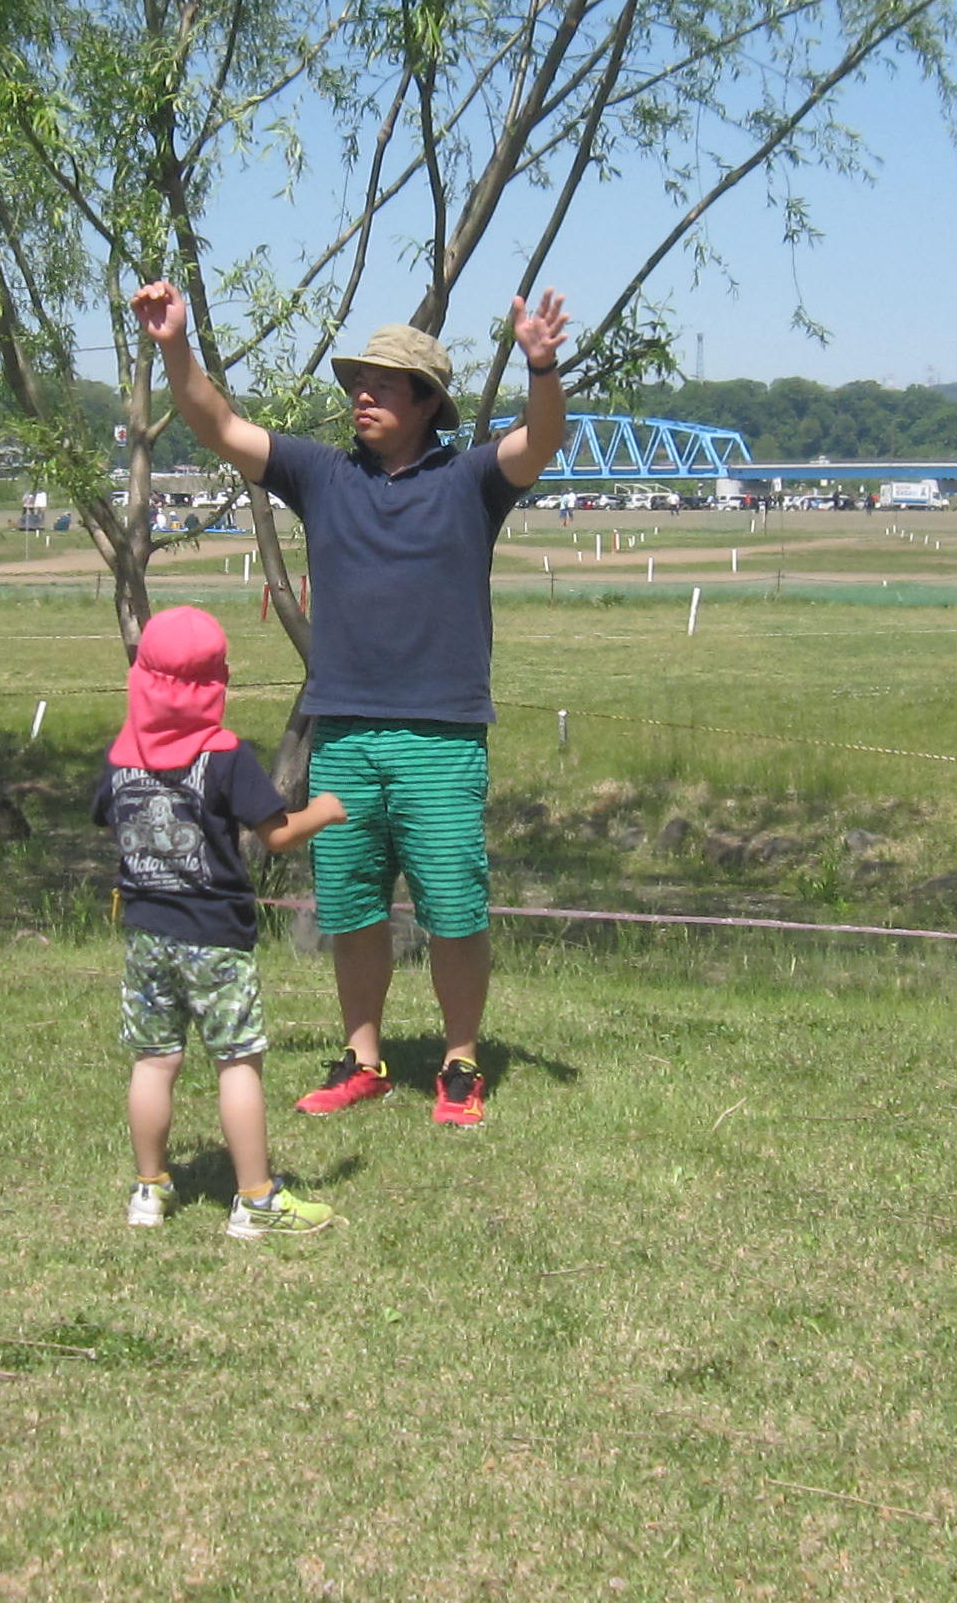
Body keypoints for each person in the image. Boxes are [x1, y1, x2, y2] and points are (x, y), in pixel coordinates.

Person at [135, 277, 571, 1128]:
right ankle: (362, 1057)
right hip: (342, 736)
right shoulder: (322, 474)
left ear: (426, 402)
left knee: (453, 909)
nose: (361, 396)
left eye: (380, 385)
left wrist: (542, 366)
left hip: (441, 738)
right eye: (356, 383)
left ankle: (459, 1062)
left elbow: (541, 439)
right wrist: (174, 346)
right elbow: (217, 424)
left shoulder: (472, 480)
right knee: (352, 906)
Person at [99, 606, 349, 1237]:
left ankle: (149, 1190)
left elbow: (110, 817)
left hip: (146, 935)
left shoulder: (120, 757)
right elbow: (279, 836)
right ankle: (257, 1197)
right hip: (215, 939)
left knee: (154, 1062)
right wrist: (325, 809)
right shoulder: (226, 756)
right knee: (237, 1062)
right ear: (221, 680)